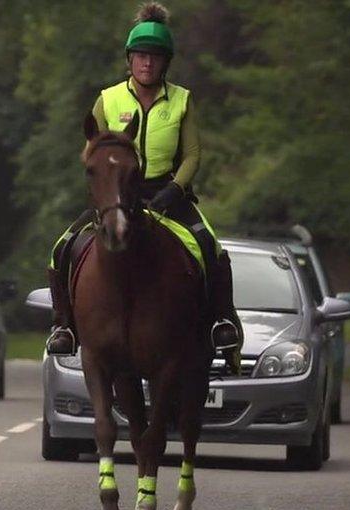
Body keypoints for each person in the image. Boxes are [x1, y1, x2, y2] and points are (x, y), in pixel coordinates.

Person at [45, 2, 242, 372]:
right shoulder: (108, 99)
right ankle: (64, 326)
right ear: (130, 59)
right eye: (140, 56)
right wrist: (105, 184)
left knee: (210, 246)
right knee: (62, 247)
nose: (147, 63)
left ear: (165, 62)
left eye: (154, 57)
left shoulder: (182, 100)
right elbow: (90, 150)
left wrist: (176, 189)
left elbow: (193, 155)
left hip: (167, 193)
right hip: (118, 195)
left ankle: (222, 322)